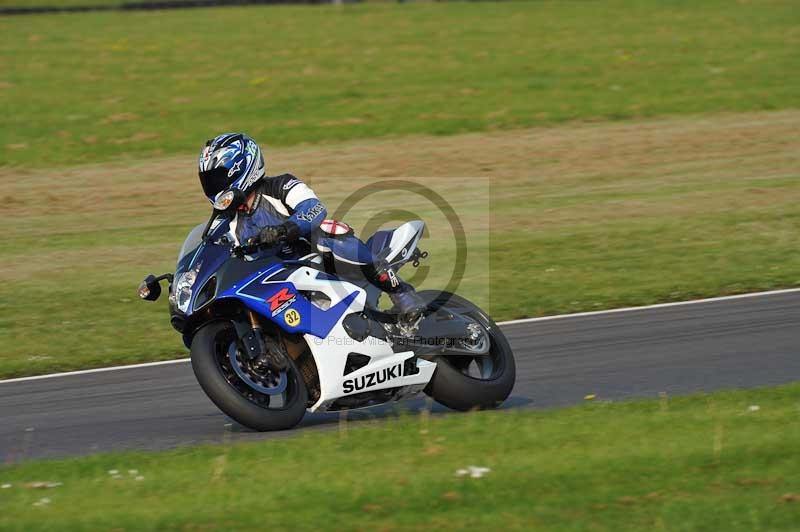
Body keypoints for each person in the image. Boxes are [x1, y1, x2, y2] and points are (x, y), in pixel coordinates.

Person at [197, 132, 426, 319]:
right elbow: (211, 251)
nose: (213, 187)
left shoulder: (281, 186)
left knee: (329, 232)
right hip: (276, 279)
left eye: (217, 179)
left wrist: (284, 230)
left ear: (242, 168)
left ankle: (402, 295)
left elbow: (315, 210)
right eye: (208, 181)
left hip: (317, 260)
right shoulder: (224, 221)